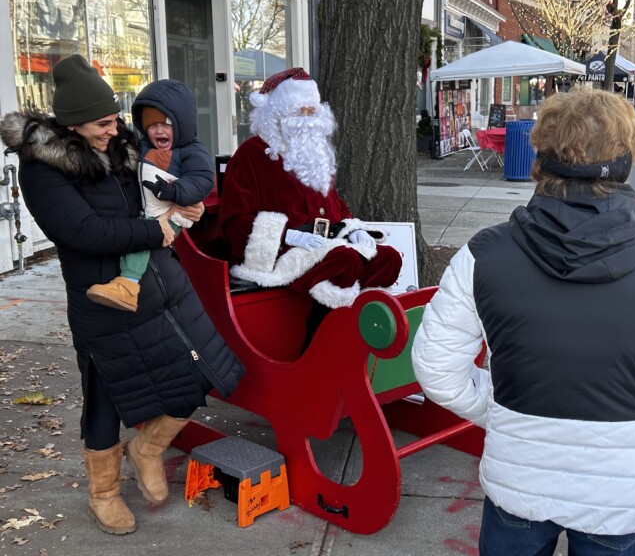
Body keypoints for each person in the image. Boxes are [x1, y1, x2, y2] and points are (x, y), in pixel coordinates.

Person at [411, 87, 635, 556]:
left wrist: (502, 410)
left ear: (543, 153)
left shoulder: (485, 254)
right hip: (619, 495)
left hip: (520, 478)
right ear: (629, 154)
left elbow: (437, 369)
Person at [0, 55, 244, 535]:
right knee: (106, 399)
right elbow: (83, 232)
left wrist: (183, 202)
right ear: (72, 123)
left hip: (161, 283)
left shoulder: (123, 145)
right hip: (103, 299)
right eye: (103, 124)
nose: (115, 130)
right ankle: (104, 493)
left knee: (203, 369)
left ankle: (148, 448)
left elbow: (163, 181)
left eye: (115, 120)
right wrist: (156, 229)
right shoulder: (42, 169)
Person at [217, 68, 402, 341]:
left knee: (388, 258)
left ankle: (357, 326)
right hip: (280, 252)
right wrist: (286, 235)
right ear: (276, 115)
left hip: (327, 245)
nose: (305, 120)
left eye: (310, 112)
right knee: (345, 260)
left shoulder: (316, 154)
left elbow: (337, 205)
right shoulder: (251, 155)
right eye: (297, 112)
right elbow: (234, 219)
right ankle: (320, 338)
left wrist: (354, 230)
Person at [86, 79, 215, 312]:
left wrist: (175, 191)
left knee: (145, 236)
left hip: (173, 212)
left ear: (181, 123)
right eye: (151, 124)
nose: (158, 131)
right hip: (152, 207)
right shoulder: (145, 148)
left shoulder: (191, 151)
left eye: (166, 124)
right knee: (142, 229)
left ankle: (128, 285)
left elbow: (201, 179)